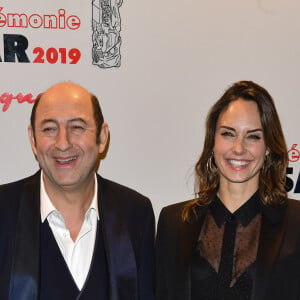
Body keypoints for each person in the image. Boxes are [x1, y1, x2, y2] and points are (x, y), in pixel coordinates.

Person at [0, 82, 155, 300]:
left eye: (77, 127)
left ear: (102, 137)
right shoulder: (4, 209)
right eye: (49, 129)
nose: (63, 143)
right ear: (33, 140)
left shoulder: (136, 212)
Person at [156, 81, 300, 300]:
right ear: (213, 141)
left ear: (268, 147)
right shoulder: (174, 222)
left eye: (253, 136)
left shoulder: (296, 222)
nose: (239, 148)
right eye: (228, 134)